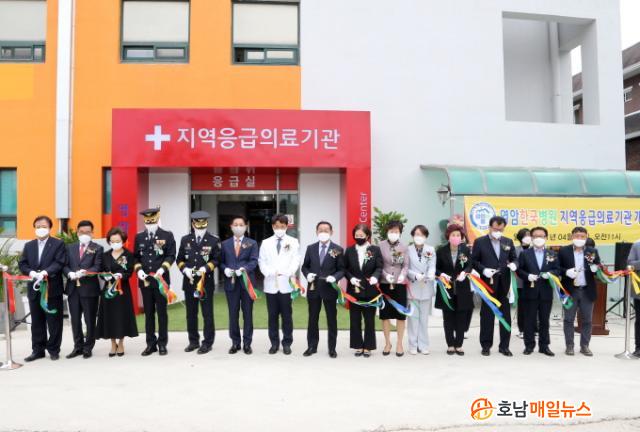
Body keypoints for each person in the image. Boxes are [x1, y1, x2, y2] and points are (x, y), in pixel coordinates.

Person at [18, 215, 67, 362]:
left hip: (52, 288)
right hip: (34, 288)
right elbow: (23, 264)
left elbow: (59, 262)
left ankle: (53, 349)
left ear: (50, 227)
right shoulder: (29, 245)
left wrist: (45, 272)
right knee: (37, 321)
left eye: (44, 226)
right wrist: (31, 273)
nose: (41, 229)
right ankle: (38, 350)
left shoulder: (58, 244)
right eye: (38, 226)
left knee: (54, 321)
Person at [471, 215, 518, 356]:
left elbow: (514, 258)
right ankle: (486, 345)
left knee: (505, 316)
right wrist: (483, 269)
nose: (498, 232)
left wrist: (514, 264)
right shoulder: (480, 242)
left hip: (504, 283)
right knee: (487, 315)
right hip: (488, 283)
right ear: (490, 227)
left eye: (501, 229)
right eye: (496, 229)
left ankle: (504, 346)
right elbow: (474, 261)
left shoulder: (508, 241)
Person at [133, 207, 176, 356]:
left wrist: (163, 269)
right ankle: (150, 344)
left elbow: (171, 255)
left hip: (161, 281)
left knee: (162, 313)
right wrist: (139, 270)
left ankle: (162, 343)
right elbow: (136, 257)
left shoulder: (167, 235)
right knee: (149, 313)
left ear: (157, 219)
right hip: (145, 282)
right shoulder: (139, 237)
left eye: (152, 220)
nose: (150, 223)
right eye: (147, 221)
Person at [176, 211, 220, 354]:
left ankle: (207, 343)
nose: (200, 227)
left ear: (206, 224)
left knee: (207, 314)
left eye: (203, 224)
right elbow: (179, 259)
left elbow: (217, 259)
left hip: (205, 282)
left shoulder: (213, 240)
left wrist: (206, 268)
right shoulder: (185, 239)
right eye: (197, 224)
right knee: (191, 314)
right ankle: (193, 341)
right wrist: (185, 269)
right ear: (193, 224)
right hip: (189, 282)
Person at [301, 221, 345, 358]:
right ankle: (311, 346)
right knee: (312, 319)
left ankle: (332, 348)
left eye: (326, 230)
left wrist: (335, 277)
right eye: (321, 230)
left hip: (330, 289)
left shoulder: (337, 249)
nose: (323, 232)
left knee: (332, 319)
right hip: (313, 288)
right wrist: (307, 274)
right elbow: (305, 266)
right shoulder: (311, 248)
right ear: (316, 232)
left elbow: (342, 269)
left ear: (331, 232)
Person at [258, 214, 300, 355]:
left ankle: (287, 343)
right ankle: (274, 343)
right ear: (272, 227)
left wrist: (289, 272)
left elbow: (296, 259)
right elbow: (261, 261)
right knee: (272, 317)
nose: (279, 229)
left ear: (287, 226)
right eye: (276, 226)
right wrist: (268, 272)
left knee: (287, 316)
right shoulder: (266, 243)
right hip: (271, 284)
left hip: (286, 284)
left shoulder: (293, 241)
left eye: (282, 226)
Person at [557, 226, 601, 356]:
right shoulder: (563, 251)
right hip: (569, 291)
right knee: (568, 319)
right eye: (577, 236)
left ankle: (585, 346)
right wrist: (566, 272)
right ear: (572, 237)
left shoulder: (592, 251)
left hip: (587, 290)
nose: (579, 238)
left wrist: (596, 268)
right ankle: (569, 345)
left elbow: (598, 266)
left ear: (586, 237)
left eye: (582, 236)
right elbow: (556, 268)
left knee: (587, 320)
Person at [63, 220, 103, 359]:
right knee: (75, 320)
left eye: (88, 232)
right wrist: (69, 273)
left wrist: (85, 272)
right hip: (73, 289)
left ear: (92, 233)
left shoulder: (97, 248)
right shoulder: (70, 247)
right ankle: (77, 346)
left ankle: (88, 347)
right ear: (77, 232)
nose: (84, 234)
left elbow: (97, 266)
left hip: (89, 289)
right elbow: (64, 265)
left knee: (89, 320)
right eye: (82, 232)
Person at [516, 226, 558, 356]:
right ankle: (529, 345)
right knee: (529, 320)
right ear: (531, 238)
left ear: (546, 238)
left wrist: (550, 274)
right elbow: (519, 270)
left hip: (546, 292)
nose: (538, 238)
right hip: (529, 291)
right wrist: (527, 276)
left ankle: (544, 346)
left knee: (544, 320)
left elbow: (558, 270)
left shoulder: (552, 254)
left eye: (541, 236)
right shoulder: (525, 253)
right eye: (535, 236)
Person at [96, 227, 139, 356]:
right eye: (112, 241)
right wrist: (105, 276)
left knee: (121, 316)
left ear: (123, 241)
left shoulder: (128, 255)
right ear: (109, 241)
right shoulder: (105, 255)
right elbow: (100, 271)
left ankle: (121, 343)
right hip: (108, 290)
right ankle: (112, 343)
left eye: (118, 241)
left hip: (122, 290)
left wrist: (121, 275)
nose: (115, 243)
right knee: (109, 316)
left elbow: (129, 272)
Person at [220, 215, 259, 355]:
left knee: (247, 314)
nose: (238, 227)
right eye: (235, 224)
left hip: (246, 283)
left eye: (241, 224)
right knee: (233, 314)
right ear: (231, 227)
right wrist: (225, 269)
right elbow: (221, 262)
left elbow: (254, 261)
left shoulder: (252, 243)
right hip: (231, 284)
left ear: (246, 227)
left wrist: (244, 269)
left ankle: (247, 343)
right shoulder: (224, 244)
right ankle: (235, 343)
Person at [344, 224, 383, 357]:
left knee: (369, 320)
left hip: (370, 291)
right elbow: (345, 268)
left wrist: (375, 277)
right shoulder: (349, 250)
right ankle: (358, 345)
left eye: (361, 235)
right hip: (354, 290)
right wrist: (351, 278)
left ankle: (368, 346)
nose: (359, 237)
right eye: (357, 235)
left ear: (367, 236)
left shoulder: (375, 250)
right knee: (355, 320)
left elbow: (379, 267)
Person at [435, 224, 473, 355]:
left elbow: (470, 265)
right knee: (448, 318)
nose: (456, 237)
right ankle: (450, 344)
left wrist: (464, 272)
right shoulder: (441, 251)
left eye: (458, 235)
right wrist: (441, 274)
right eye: (453, 235)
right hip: (447, 288)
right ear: (448, 236)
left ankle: (459, 344)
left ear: (461, 237)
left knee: (461, 317)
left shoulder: (465, 250)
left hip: (462, 288)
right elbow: (435, 268)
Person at [378, 220, 409, 356]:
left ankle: (399, 343)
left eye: (396, 231)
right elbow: (378, 265)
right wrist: (385, 275)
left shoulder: (404, 247)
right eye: (391, 231)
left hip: (399, 285)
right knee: (385, 315)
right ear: (387, 232)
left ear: (400, 233)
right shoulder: (380, 246)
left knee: (400, 315)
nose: (393, 233)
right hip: (385, 284)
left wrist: (402, 275)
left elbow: (405, 265)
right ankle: (387, 343)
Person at [406, 225, 436, 355]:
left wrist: (431, 273)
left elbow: (432, 265)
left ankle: (423, 345)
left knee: (424, 319)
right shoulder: (407, 249)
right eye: (417, 234)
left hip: (426, 286)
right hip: (413, 287)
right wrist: (414, 275)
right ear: (413, 235)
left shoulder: (430, 249)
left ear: (426, 237)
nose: (419, 237)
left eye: (422, 235)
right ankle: (412, 344)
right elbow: (405, 268)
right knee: (413, 319)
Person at [514, 228, 532, 339]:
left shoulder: (535, 248)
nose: (528, 237)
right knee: (522, 307)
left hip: (533, 282)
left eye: (529, 235)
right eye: (526, 235)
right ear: (520, 237)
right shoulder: (516, 250)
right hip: (520, 282)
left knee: (533, 306)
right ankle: (522, 329)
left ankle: (533, 329)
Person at [626, 239, 640, 358]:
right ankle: (639, 347)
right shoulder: (637, 245)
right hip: (639, 288)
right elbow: (630, 264)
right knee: (639, 320)